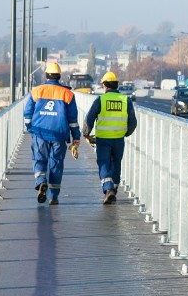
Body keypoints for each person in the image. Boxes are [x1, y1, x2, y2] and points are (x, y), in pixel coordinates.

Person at [23, 61, 81, 205]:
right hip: (59, 135)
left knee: (39, 159)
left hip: (40, 133)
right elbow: (72, 119)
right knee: (56, 163)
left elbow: (27, 114)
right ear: (59, 76)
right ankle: (53, 196)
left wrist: (30, 127)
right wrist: (76, 137)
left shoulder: (36, 91)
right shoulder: (68, 94)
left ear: (46, 75)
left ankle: (41, 180)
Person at [83, 71, 137, 204]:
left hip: (103, 139)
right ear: (116, 85)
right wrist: (126, 133)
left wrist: (85, 134)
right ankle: (114, 189)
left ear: (105, 86)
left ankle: (108, 189)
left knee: (104, 163)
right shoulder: (126, 100)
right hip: (119, 139)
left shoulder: (101, 100)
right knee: (116, 163)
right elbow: (133, 122)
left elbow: (89, 119)